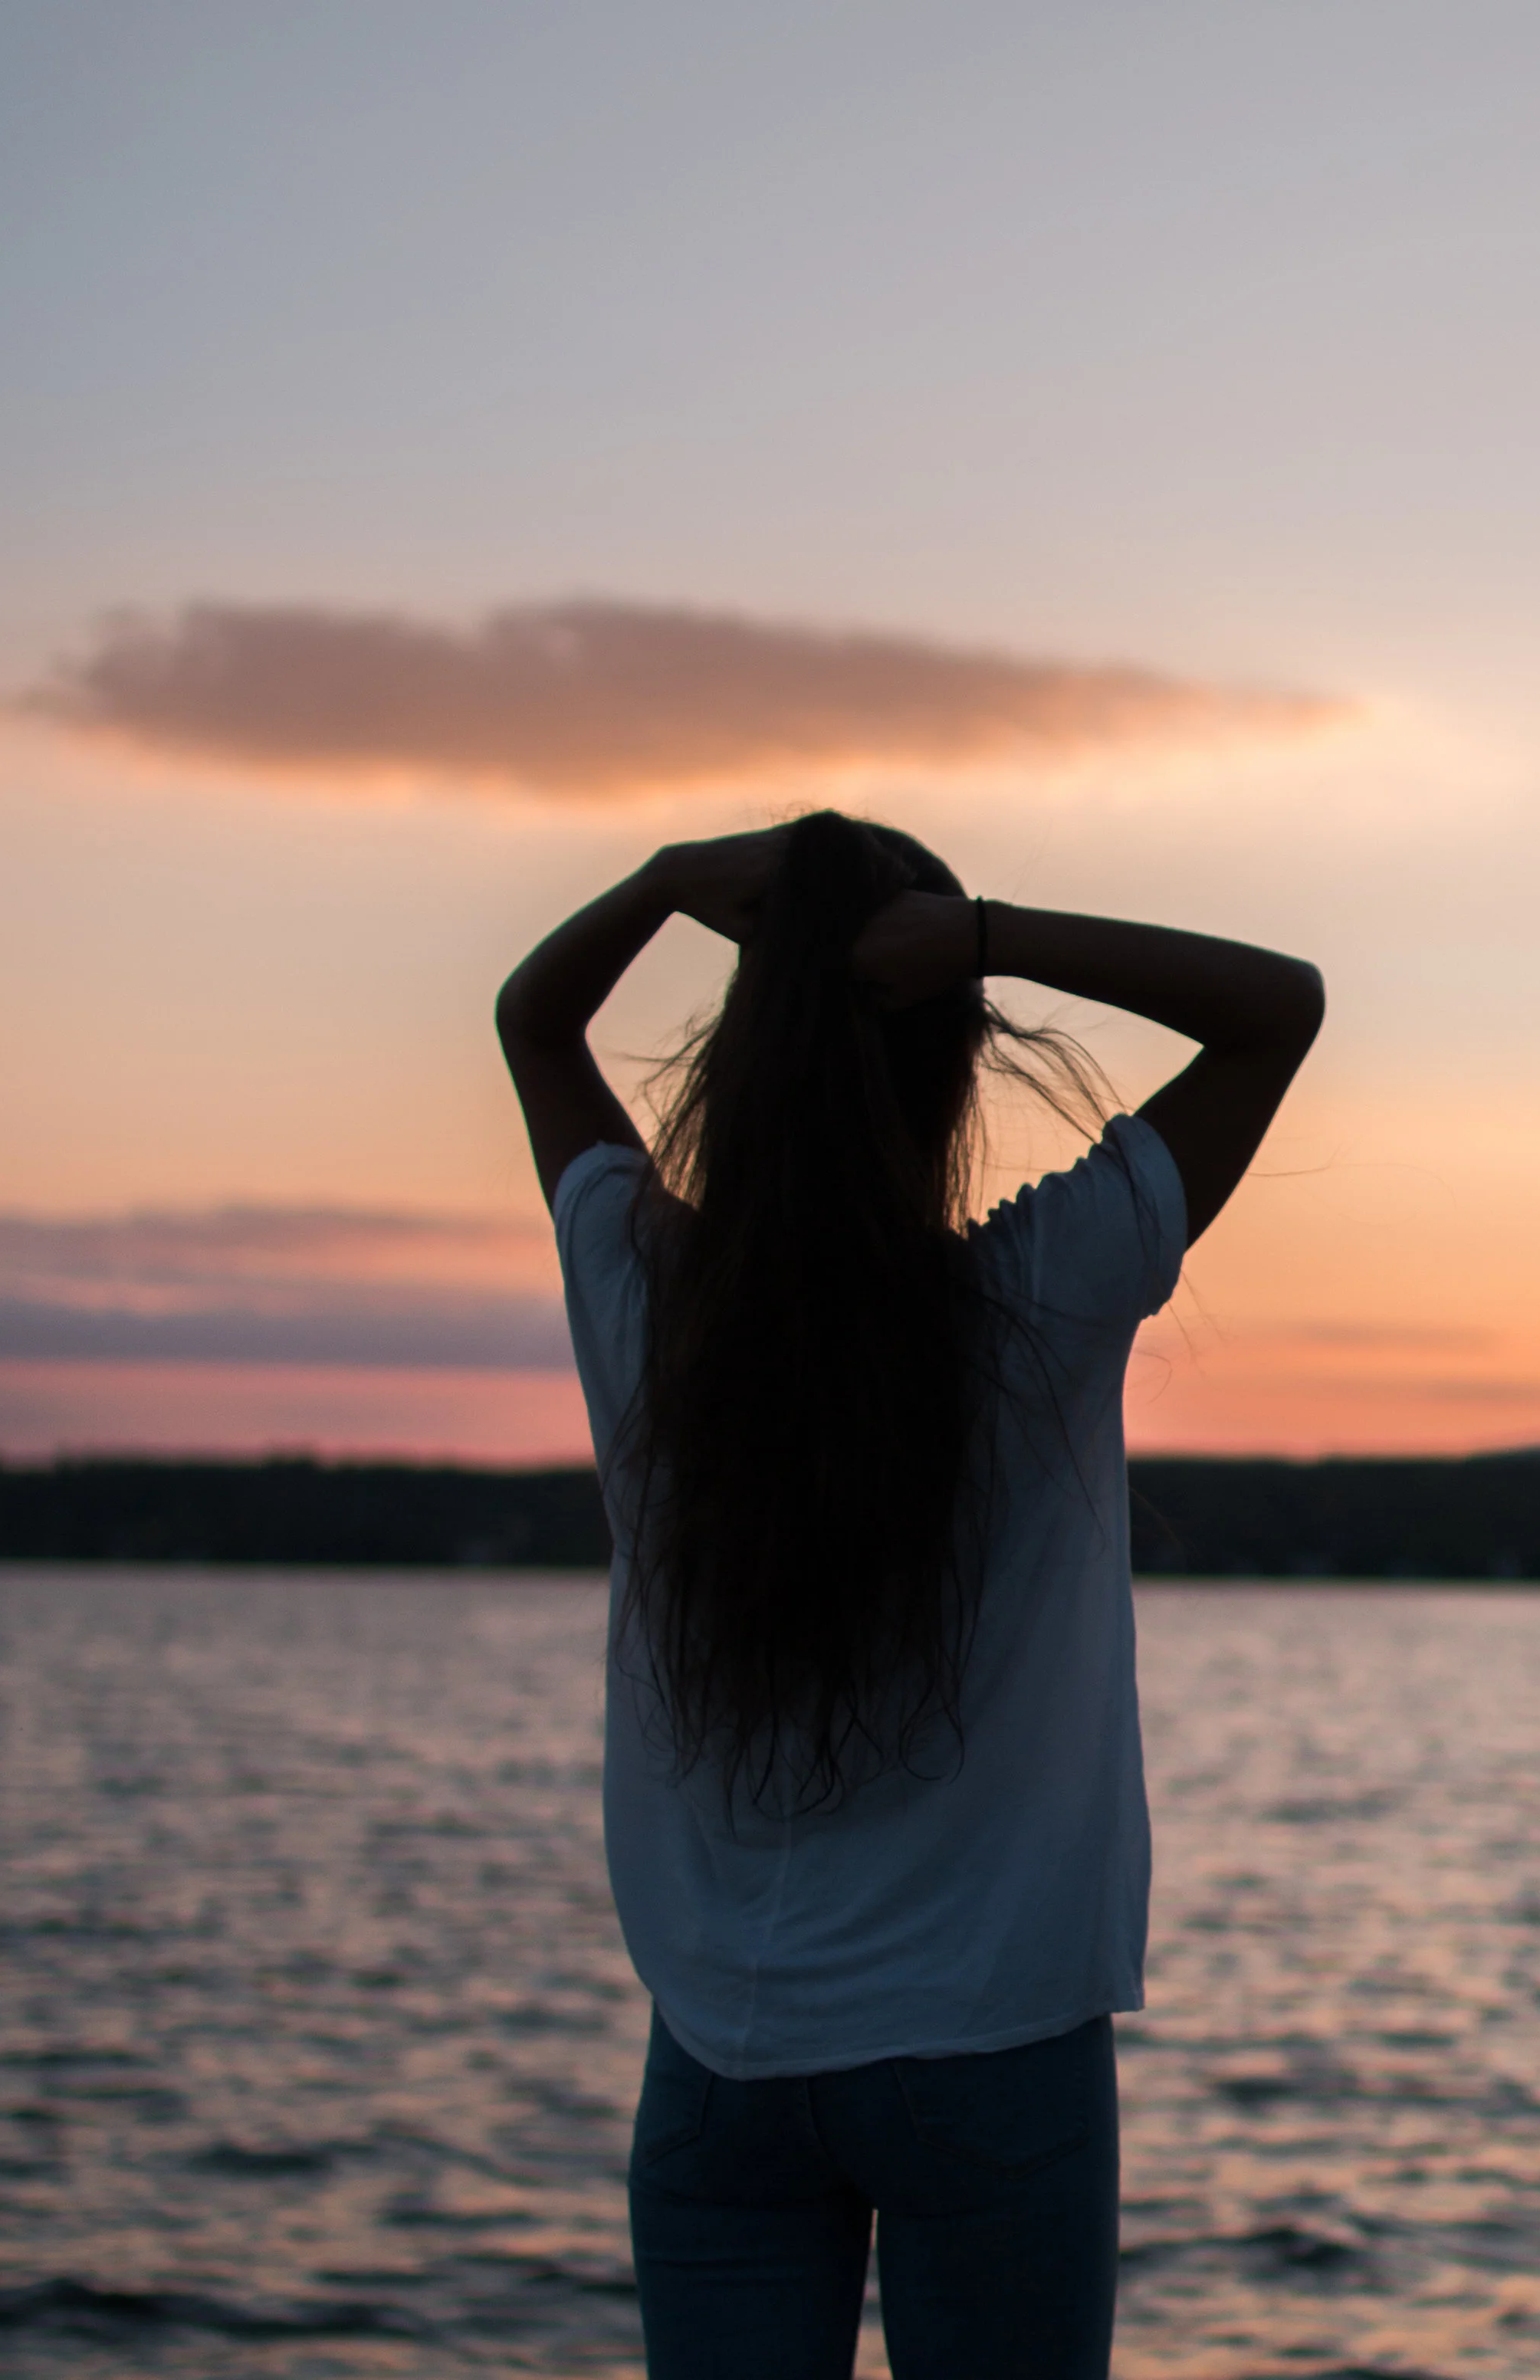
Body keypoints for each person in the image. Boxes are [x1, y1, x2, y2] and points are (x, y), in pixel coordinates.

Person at [497, 811, 1323, 2380]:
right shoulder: (1034, 1295)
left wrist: (669, 882)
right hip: (988, 2055)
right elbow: (1274, 1005)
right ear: (951, 1061)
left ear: (740, 1060)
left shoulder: (646, 1300)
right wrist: (988, 933)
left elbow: (532, 1020)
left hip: (721, 2066)